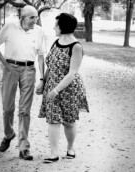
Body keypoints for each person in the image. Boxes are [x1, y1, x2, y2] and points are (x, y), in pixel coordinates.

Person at [0, 5, 46, 161]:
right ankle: (9, 134)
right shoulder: (10, 27)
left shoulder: (39, 31)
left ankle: (24, 147)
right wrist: (5, 65)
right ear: (22, 17)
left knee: (24, 111)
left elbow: (41, 56)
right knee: (7, 108)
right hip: (11, 68)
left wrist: (42, 78)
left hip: (29, 70)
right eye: (31, 17)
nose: (35, 21)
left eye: (36, 17)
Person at [37, 13, 89, 163]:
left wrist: (56, 90)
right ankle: (54, 153)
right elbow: (51, 66)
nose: (54, 27)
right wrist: (43, 82)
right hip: (52, 85)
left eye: (56, 25)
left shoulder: (76, 46)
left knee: (69, 121)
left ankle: (70, 148)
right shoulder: (56, 42)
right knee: (53, 120)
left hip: (69, 89)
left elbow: (73, 72)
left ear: (63, 26)